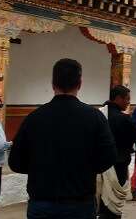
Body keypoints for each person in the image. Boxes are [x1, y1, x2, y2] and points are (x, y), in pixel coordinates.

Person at [8, 59, 116, 219]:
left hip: (42, 202)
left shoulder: (34, 118)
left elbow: (15, 162)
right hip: (80, 202)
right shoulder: (95, 117)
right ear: (80, 83)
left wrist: (39, 168)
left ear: (53, 84)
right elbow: (109, 157)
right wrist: (86, 169)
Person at [98, 85, 136, 219]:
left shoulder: (98, 115)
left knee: (100, 201)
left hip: (98, 166)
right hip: (119, 166)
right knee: (114, 207)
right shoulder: (124, 119)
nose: (129, 102)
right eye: (127, 99)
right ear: (117, 98)